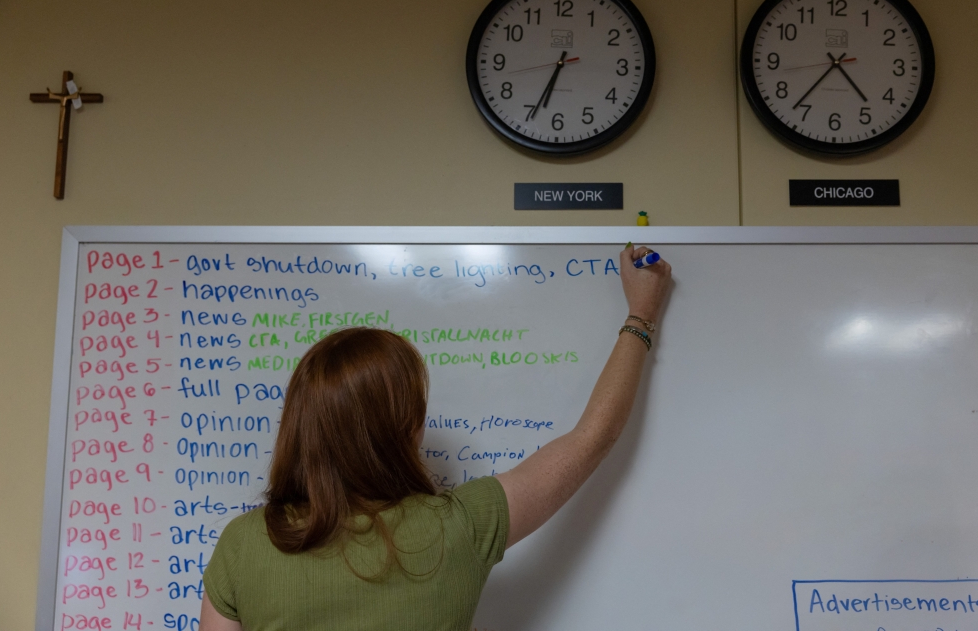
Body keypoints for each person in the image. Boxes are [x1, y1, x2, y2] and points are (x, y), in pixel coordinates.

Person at [200, 244, 670, 630]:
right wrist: (641, 314)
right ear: (404, 429)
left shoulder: (245, 543)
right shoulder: (462, 525)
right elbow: (595, 435)